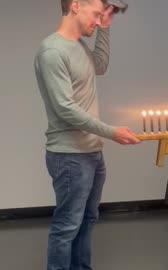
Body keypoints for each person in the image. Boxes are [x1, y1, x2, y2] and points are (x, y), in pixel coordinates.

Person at [34, 0, 140, 269]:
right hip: (70, 156)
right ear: (76, 6)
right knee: (67, 226)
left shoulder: (78, 46)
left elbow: (100, 64)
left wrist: (104, 27)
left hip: (91, 153)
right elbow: (65, 109)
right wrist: (111, 132)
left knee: (87, 220)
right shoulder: (52, 51)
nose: (98, 19)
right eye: (96, 14)